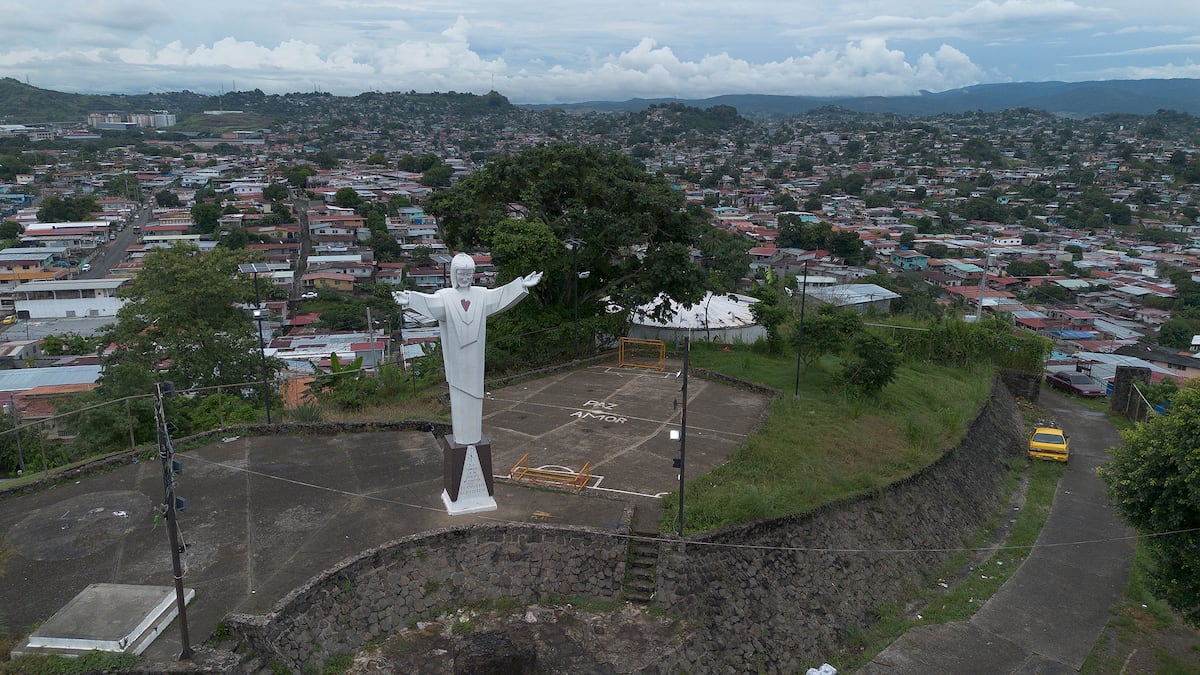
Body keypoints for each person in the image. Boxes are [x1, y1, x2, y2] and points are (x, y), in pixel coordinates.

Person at [395, 253, 542, 445]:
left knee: (475, 398)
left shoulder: (480, 295)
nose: (465, 278)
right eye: (461, 274)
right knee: (460, 398)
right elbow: (430, 302)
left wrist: (521, 285)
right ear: (454, 275)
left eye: (468, 274)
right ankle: (463, 437)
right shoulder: (445, 296)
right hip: (457, 363)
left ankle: (472, 436)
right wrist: (410, 300)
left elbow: (499, 296)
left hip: (475, 361)